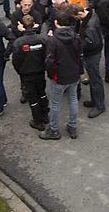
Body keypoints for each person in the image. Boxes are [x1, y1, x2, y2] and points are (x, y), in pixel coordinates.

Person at [41, 10, 84, 140]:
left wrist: (51, 73)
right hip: (74, 74)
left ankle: (53, 130)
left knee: (55, 104)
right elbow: (80, 55)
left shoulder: (53, 40)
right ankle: (73, 126)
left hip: (58, 76)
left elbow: (49, 61)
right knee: (73, 100)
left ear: (56, 22)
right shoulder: (76, 37)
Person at [75, 3, 106, 117]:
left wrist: (78, 43)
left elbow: (90, 42)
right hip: (93, 52)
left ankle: (99, 106)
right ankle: (95, 101)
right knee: (93, 78)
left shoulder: (90, 25)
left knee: (95, 79)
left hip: (92, 54)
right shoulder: (90, 16)